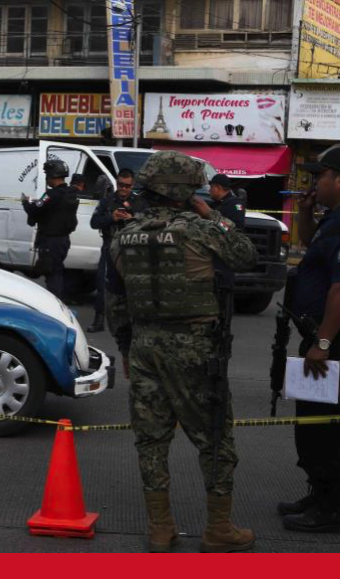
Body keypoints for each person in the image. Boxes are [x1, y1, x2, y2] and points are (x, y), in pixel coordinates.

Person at [110, 151, 258, 553]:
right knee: (214, 437)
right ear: (184, 191)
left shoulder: (124, 235)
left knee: (151, 440)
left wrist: (125, 348)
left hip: (144, 346)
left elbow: (116, 300)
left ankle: (160, 528)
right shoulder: (200, 228)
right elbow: (246, 254)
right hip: (194, 347)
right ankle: (218, 527)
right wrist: (211, 215)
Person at [280, 146, 340, 534]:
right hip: (326, 339)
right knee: (311, 425)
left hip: (338, 343)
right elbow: (310, 248)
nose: (314, 181)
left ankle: (332, 510)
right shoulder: (337, 218)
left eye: (320, 175)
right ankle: (317, 494)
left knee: (328, 430)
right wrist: (305, 212)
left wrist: (321, 344)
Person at [87, 168, 146, 333]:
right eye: (121, 185)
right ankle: (99, 319)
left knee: (133, 285)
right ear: (117, 183)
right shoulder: (108, 200)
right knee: (102, 284)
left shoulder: (139, 202)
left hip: (132, 250)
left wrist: (132, 219)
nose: (124, 189)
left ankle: (132, 322)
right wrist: (111, 218)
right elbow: (94, 222)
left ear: (132, 185)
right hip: (110, 248)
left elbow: (149, 223)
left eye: (127, 186)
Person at [22, 159, 79, 300]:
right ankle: (59, 302)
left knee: (52, 276)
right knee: (57, 272)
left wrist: (25, 202)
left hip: (50, 242)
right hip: (63, 241)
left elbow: (35, 209)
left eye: (47, 174)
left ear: (53, 175)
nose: (46, 177)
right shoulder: (70, 192)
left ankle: (55, 307)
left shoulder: (51, 195)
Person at [207, 174, 248, 290]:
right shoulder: (218, 204)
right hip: (214, 254)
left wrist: (213, 218)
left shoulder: (234, 204)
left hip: (225, 255)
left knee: (223, 290)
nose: (209, 191)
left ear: (218, 188)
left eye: (211, 187)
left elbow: (233, 231)